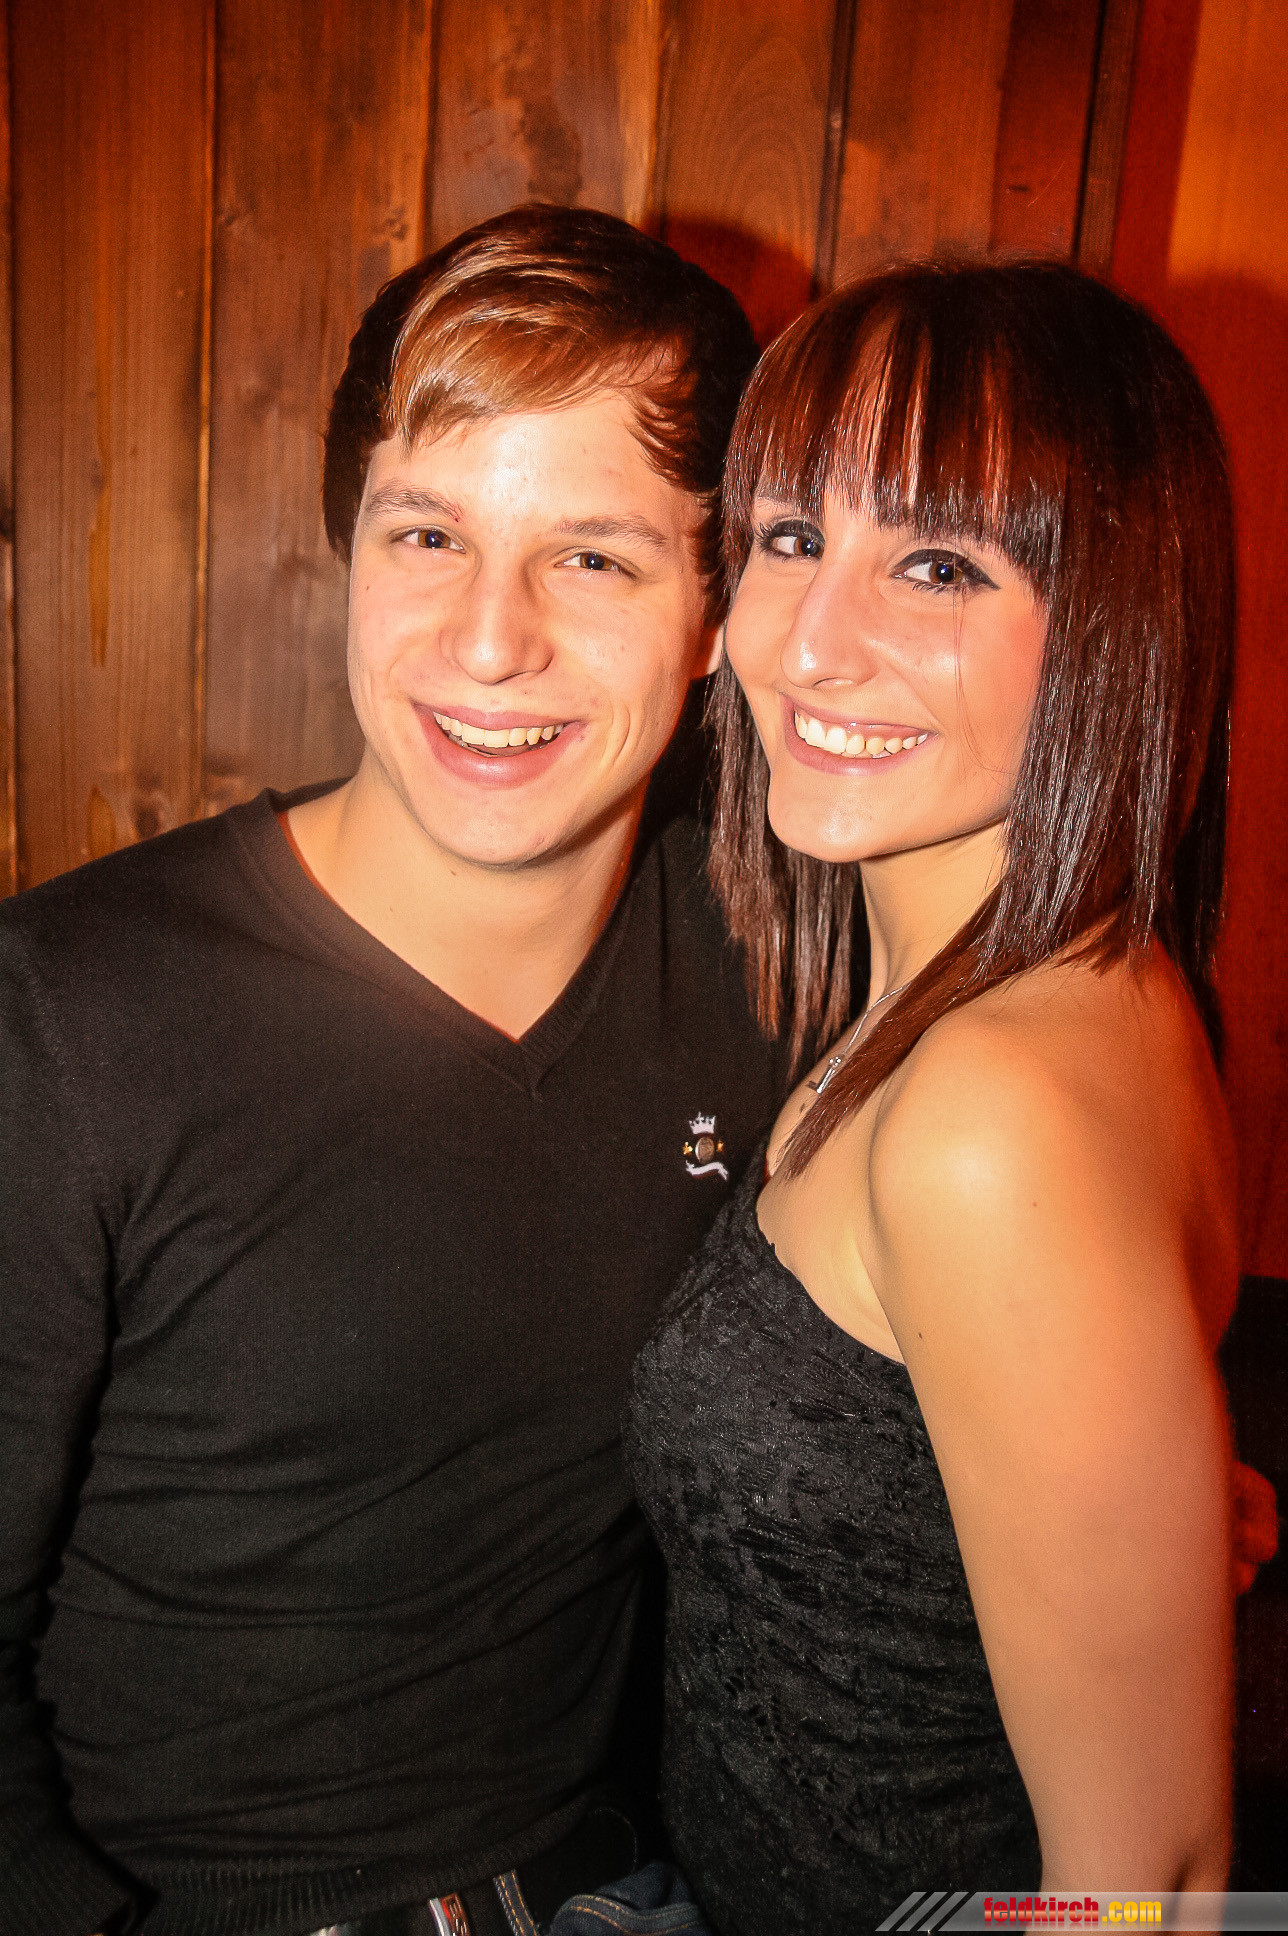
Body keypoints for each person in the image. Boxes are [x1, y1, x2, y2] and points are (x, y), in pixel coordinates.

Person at [0, 206, 786, 1936]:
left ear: (718, 610)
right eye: (429, 533)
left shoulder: (766, 974)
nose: (489, 640)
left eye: (594, 558)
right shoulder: (65, 1014)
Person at [627, 260, 1255, 1931]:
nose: (811, 643)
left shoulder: (991, 1113)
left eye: (938, 565)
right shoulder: (1065, 979)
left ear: (1113, 623)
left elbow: (1160, 1882)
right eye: (788, 537)